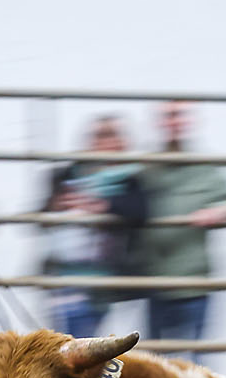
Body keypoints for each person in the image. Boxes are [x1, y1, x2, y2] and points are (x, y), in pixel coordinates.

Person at [138, 101, 226, 357]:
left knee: (198, 363)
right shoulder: (147, 167)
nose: (173, 122)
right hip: (155, 282)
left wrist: (223, 210)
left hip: (195, 283)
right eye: (168, 116)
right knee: (157, 364)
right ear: (158, 123)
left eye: (178, 116)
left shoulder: (205, 169)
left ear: (189, 121)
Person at [42, 116, 148, 336]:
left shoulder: (131, 178)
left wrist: (101, 206)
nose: (104, 142)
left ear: (122, 143)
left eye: (110, 136)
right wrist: (58, 203)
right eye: (99, 136)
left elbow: (139, 211)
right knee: (66, 341)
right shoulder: (69, 173)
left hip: (105, 280)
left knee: (92, 346)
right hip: (64, 277)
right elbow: (42, 215)